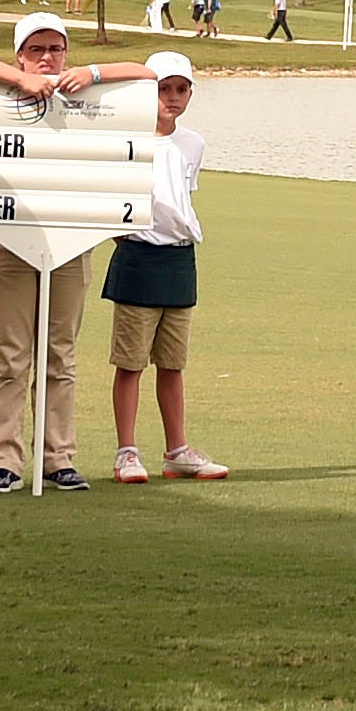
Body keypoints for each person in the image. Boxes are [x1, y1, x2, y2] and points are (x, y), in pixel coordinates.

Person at [0, 12, 156, 492]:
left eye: (55, 49)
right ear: (19, 54)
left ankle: (57, 457)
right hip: (8, 238)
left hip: (68, 242)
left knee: (61, 354)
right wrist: (20, 79)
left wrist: (93, 75)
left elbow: (147, 74)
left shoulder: (84, 94)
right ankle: (5, 459)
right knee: (10, 356)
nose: (46, 58)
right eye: (35, 50)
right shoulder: (0, 91)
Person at [104, 52, 229, 482]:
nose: (172, 98)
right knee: (131, 363)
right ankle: (127, 452)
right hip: (139, 257)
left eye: (181, 89)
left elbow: (182, 196)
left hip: (179, 258)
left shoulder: (193, 143)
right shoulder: (127, 139)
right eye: (163, 89)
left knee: (173, 364)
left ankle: (177, 449)